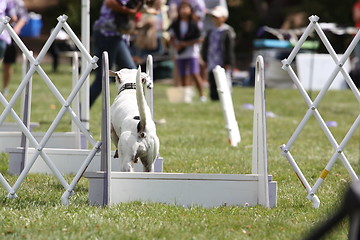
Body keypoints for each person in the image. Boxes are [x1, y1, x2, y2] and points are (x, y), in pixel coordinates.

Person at [89, 0, 144, 107]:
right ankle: (80, 114)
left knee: (133, 73)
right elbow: (109, 2)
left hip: (117, 36)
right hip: (106, 35)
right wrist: (129, 10)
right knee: (102, 79)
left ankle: (142, 113)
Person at [168, 0, 206, 102]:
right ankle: (186, 96)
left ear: (190, 10)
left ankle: (202, 95)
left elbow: (200, 38)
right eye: (182, 8)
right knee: (183, 74)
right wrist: (176, 46)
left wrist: (185, 44)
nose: (184, 11)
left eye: (186, 8)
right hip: (180, 53)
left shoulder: (194, 23)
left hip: (192, 52)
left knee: (194, 73)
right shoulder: (176, 24)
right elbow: (170, 37)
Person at [201, 5, 235, 101]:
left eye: (217, 17)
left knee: (224, 80)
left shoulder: (227, 31)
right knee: (212, 80)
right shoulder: (210, 31)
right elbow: (206, 46)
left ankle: (225, 98)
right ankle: (213, 97)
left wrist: (228, 62)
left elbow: (229, 48)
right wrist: (205, 58)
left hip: (222, 61)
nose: (215, 19)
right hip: (212, 60)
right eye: (213, 17)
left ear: (224, 18)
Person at [2, 0, 28, 96]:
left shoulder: (17, 2)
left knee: (7, 63)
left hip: (10, 35)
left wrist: (16, 28)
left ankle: (5, 88)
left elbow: (23, 17)